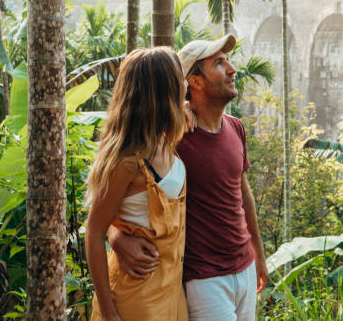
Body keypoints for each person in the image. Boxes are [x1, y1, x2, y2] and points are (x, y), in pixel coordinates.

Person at [109, 34, 268, 321]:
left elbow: (243, 195)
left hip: (244, 268)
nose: (232, 70)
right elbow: (120, 193)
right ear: (194, 81)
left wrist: (259, 253)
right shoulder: (171, 138)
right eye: (219, 63)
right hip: (203, 278)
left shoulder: (236, 128)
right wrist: (117, 236)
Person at [85, 47, 188, 321]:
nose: (186, 85)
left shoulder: (166, 141)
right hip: (136, 298)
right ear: (165, 92)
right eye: (180, 80)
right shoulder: (127, 163)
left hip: (171, 293)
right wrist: (108, 313)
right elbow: (94, 232)